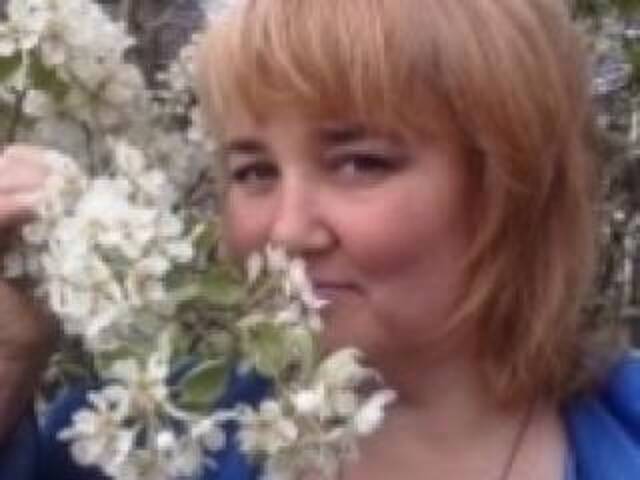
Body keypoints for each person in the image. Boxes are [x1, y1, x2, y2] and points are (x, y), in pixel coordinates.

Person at [0, 0, 638, 479]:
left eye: (359, 163)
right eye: (254, 172)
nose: (287, 231)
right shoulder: (142, 442)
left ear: (512, 179)